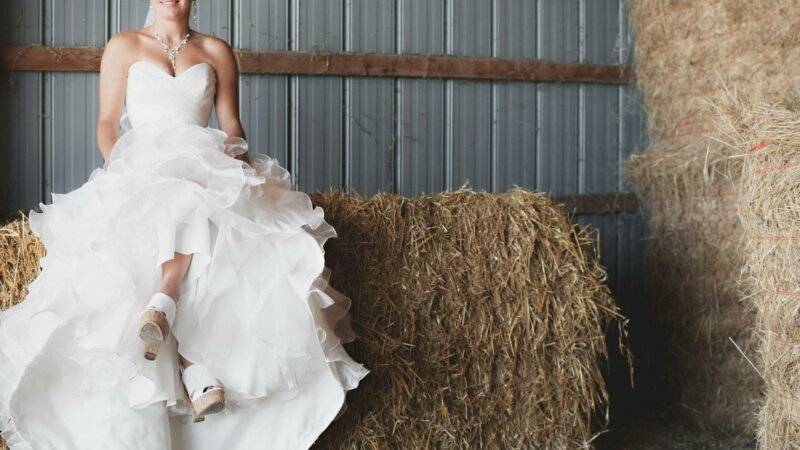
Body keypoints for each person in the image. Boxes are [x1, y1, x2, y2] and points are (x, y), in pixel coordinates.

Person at [0, 0, 370, 448]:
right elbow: (106, 123)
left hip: (203, 169)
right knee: (173, 193)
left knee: (199, 195)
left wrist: (232, 158)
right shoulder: (123, 46)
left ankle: (168, 307)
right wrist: (125, 168)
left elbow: (231, 126)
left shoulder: (217, 51)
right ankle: (191, 361)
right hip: (141, 168)